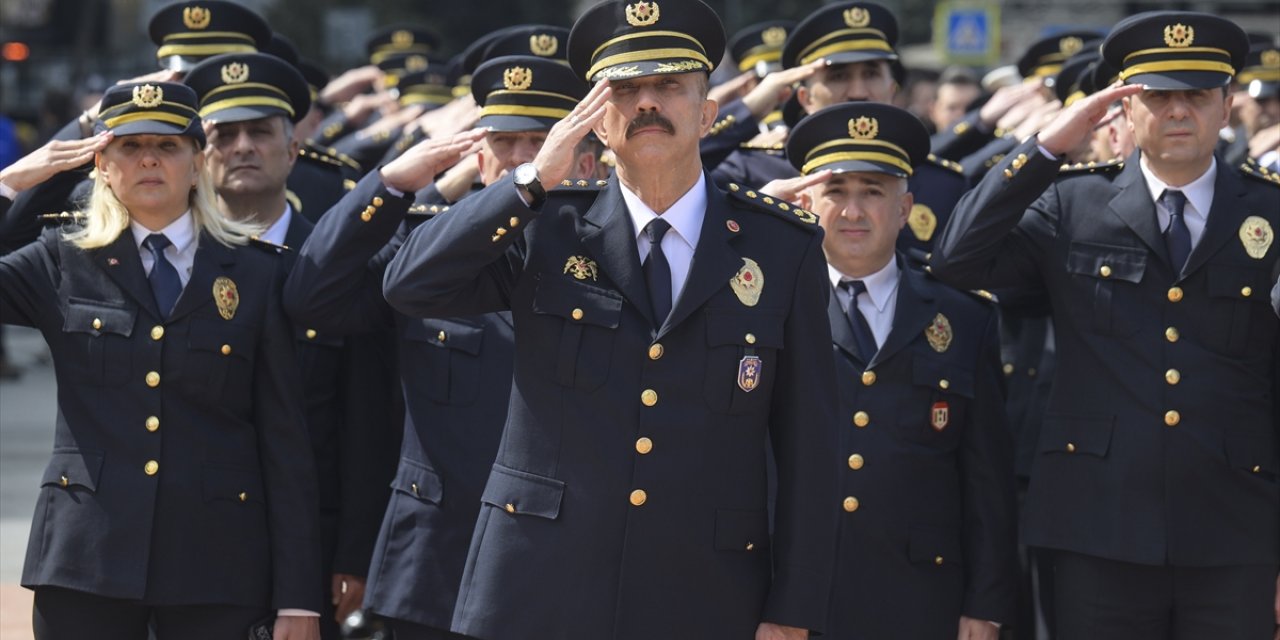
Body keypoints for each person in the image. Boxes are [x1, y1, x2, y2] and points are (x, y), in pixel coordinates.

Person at [380, 2, 840, 639]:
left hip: (705, 593)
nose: (647, 104)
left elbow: (811, 450)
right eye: (624, 91)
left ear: (708, 113)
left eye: (669, 87)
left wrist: (791, 610)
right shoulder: (545, 225)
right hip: (538, 586)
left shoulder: (780, 249)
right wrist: (531, 178)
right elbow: (409, 284)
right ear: (596, 122)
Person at [930, 12, 1280, 640]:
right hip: (1098, 531)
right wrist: (1043, 149)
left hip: (1237, 532)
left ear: (1227, 106)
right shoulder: (1072, 204)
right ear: (1124, 107)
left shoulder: (1272, 211)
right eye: (1157, 95)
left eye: (1196, 96)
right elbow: (956, 260)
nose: (1178, 112)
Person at [285, 51, 590, 640]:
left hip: (562, 568)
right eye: (507, 142)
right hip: (437, 570)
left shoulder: (614, 255)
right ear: (478, 154)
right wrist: (394, 184)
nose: (526, 159)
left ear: (585, 152)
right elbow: (313, 298)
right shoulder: (423, 246)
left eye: (542, 139)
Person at [0, 81, 320, 639]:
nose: (148, 158)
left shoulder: (260, 273)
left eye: (168, 145)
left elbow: (284, 440)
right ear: (100, 164)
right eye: (129, 145)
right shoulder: (62, 260)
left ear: (198, 163)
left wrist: (299, 598)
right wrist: (10, 183)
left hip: (216, 561)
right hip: (86, 559)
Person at [773, 101, 1017, 640]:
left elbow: (986, 477)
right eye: (836, 192)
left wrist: (987, 601)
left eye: (873, 192)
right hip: (801, 596)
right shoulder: (772, 308)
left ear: (906, 207)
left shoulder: (962, 316)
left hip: (922, 595)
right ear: (808, 202)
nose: (853, 211)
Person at [182, 52, 398, 638]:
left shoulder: (342, 265)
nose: (243, 147)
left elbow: (368, 421)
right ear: (201, 156)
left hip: (316, 546)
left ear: (293, 149)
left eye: (260, 132)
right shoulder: (175, 266)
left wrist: (355, 551)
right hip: (196, 540)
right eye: (224, 135)